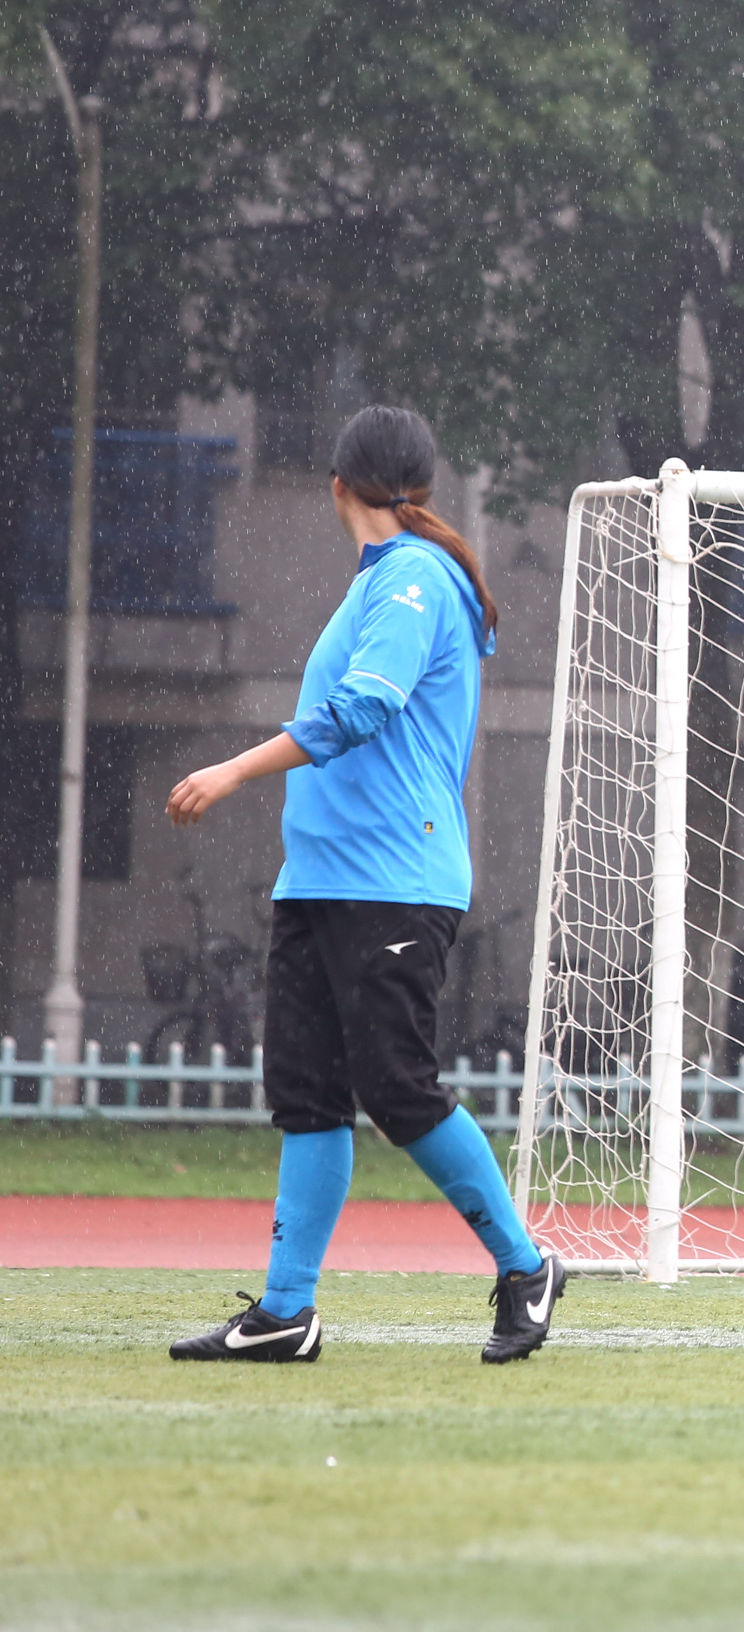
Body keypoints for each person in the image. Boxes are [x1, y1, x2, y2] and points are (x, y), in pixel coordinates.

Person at [165, 405, 565, 1364]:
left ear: (336, 483)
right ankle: (286, 1313)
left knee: (399, 1087)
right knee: (308, 1097)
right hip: (321, 883)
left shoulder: (416, 580)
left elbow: (364, 710)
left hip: (395, 880)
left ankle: (525, 1266)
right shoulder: (381, 582)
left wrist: (232, 771)